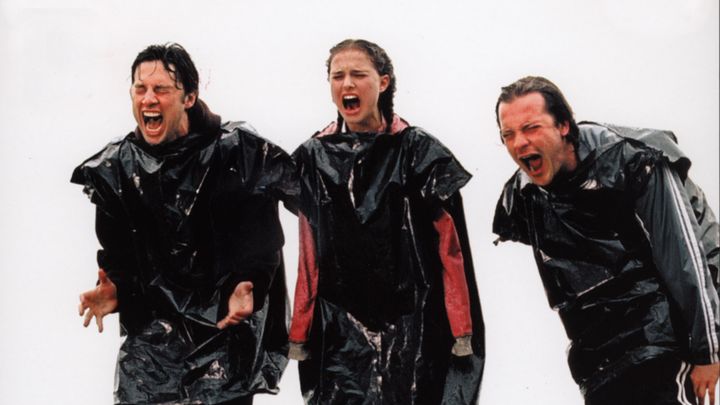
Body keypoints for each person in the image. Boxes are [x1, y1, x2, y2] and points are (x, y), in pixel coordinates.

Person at [72, 43, 296, 405]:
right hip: (153, 346)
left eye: (161, 89)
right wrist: (117, 291)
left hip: (224, 336)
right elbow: (119, 254)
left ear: (189, 97)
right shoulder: (117, 168)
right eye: (140, 89)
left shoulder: (234, 152)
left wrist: (248, 284)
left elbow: (262, 238)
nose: (148, 99)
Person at [492, 75, 720, 405]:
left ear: (564, 126)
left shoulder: (633, 162)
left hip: (668, 336)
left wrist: (707, 351)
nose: (519, 143)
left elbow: (686, 255)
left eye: (531, 128)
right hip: (599, 358)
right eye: (508, 135)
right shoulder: (523, 195)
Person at [287, 39, 484, 405]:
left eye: (358, 74)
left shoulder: (420, 152)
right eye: (337, 76)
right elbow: (307, 255)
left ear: (384, 81)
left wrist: (461, 331)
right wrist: (300, 333)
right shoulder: (313, 159)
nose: (347, 84)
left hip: (417, 330)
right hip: (338, 338)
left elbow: (451, 251)